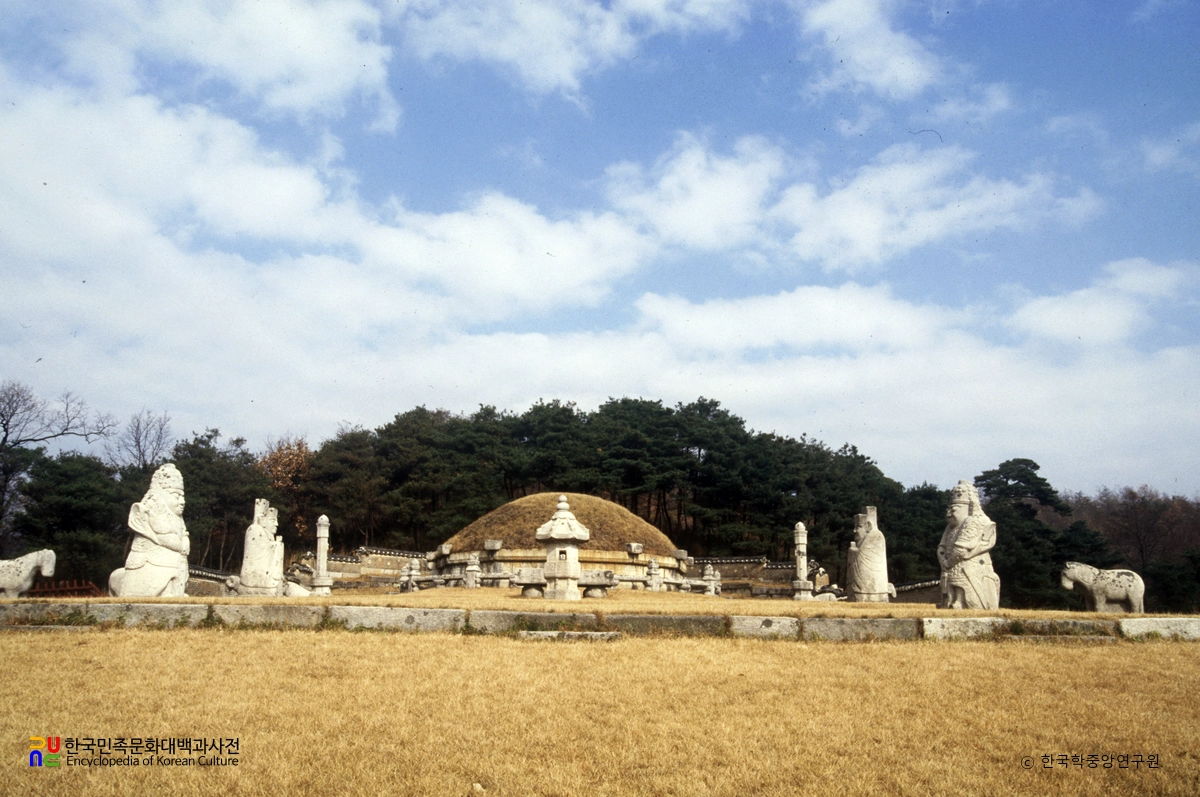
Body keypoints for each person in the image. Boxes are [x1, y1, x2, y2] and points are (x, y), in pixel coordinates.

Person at [109, 463, 190, 597]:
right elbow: (164, 536)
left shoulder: (176, 516)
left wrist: (185, 539)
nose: (182, 501)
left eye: (183, 496)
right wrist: (181, 545)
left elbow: (183, 533)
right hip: (152, 560)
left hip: (173, 561)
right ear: (162, 494)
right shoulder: (153, 508)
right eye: (177, 496)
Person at [937, 480, 1000, 609]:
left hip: (969, 565)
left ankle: (960, 602)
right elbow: (941, 547)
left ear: (968, 507)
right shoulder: (950, 527)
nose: (948, 514)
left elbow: (961, 551)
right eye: (948, 510)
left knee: (963, 582)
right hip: (950, 565)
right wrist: (943, 561)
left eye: (954, 509)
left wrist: (947, 563)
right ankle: (952, 601)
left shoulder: (975, 521)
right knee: (951, 588)